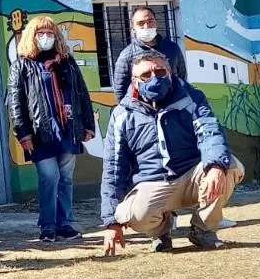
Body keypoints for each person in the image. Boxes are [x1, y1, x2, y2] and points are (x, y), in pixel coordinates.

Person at [100, 52, 243, 254]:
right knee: (128, 213)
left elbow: (211, 133)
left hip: (191, 176)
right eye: (145, 75)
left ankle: (203, 229)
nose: (154, 78)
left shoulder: (192, 98)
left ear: (170, 73)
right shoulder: (122, 115)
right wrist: (111, 223)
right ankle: (161, 232)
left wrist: (215, 166)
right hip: (152, 183)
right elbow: (113, 169)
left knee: (229, 167)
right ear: (134, 81)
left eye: (159, 71)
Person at [6, 15, 96, 242]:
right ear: (32, 36)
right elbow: (15, 102)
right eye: (40, 33)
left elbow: (81, 94)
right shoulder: (21, 65)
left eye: (49, 33)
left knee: (65, 177)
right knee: (49, 176)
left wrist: (88, 124)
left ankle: (64, 223)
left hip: (68, 128)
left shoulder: (67, 61)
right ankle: (47, 226)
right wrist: (22, 132)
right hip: (40, 132)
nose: (45, 38)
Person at [110, 6, 188, 101]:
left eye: (150, 21)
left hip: (173, 106)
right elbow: (120, 90)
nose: (146, 26)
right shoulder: (126, 56)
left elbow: (182, 78)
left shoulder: (172, 49)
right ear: (133, 28)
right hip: (142, 109)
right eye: (141, 23)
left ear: (156, 24)